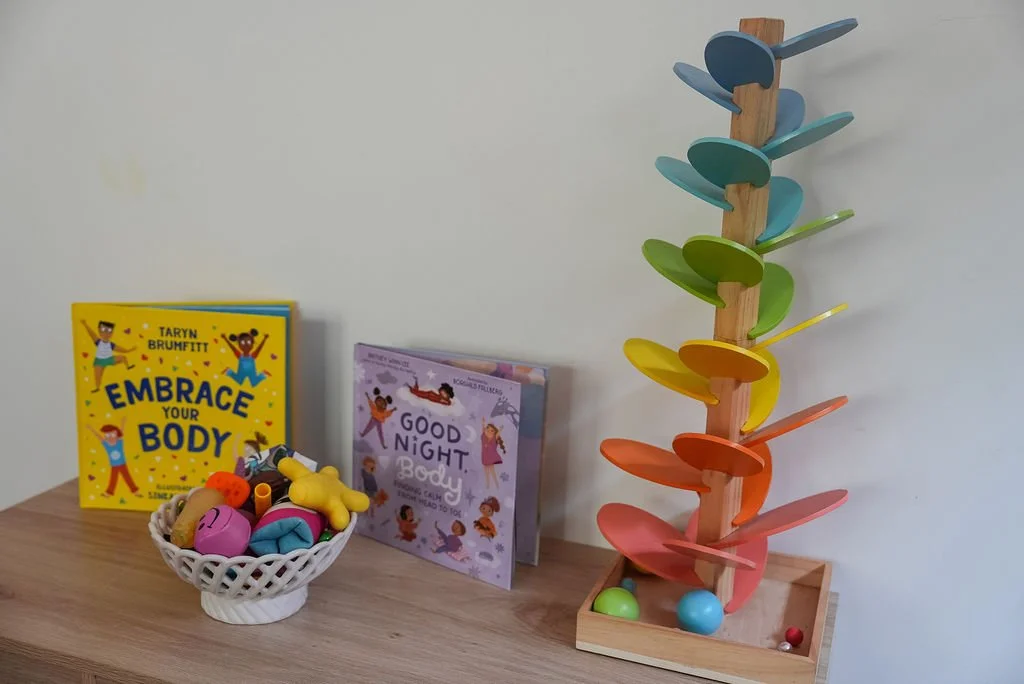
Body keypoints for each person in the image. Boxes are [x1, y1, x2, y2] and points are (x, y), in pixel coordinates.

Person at [87, 417, 142, 498]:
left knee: (127, 478)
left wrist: (123, 422)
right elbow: (98, 436)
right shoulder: (106, 444)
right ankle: (108, 493)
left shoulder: (119, 442)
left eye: (113, 434)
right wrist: (91, 429)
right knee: (113, 479)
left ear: (116, 435)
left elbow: (121, 431)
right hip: (114, 465)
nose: (110, 437)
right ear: (105, 436)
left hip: (122, 464)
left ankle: (135, 491)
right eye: (107, 435)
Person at [80, 319, 135, 391]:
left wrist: (129, 350)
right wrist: (85, 324)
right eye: (104, 330)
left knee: (123, 358)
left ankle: (128, 366)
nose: (106, 333)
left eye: (109, 331)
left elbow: (120, 349)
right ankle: (97, 387)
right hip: (99, 361)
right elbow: (91, 333)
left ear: (112, 333)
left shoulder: (111, 344)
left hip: (109, 359)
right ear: (99, 330)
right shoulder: (98, 342)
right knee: (98, 376)